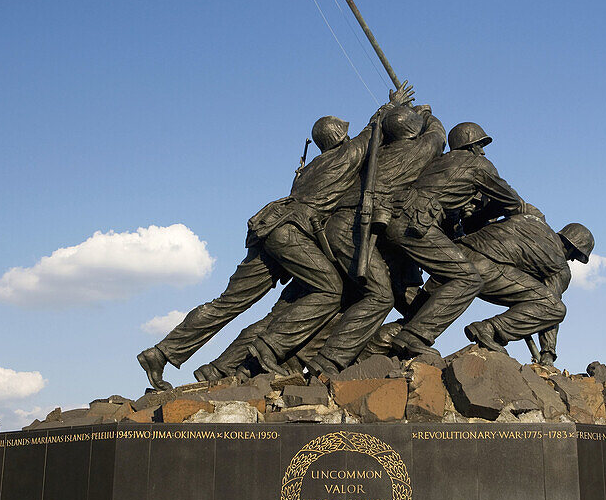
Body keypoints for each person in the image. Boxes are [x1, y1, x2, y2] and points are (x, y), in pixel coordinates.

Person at [136, 86, 412, 390]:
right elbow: (371, 134)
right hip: (291, 232)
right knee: (331, 290)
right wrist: (391, 106)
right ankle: (270, 347)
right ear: (341, 137)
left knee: (228, 303)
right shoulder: (346, 155)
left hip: (267, 226)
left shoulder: (312, 168)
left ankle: (162, 352)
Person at [304, 104, 446, 374]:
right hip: (352, 227)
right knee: (380, 296)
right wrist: (427, 114)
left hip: (343, 226)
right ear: (413, 131)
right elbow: (438, 136)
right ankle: (327, 363)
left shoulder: (374, 156)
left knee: (377, 294)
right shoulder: (417, 151)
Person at [380, 122, 525, 355]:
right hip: (416, 221)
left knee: (408, 293)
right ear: (471, 146)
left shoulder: (439, 162)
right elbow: (511, 202)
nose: (484, 151)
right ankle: (413, 336)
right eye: (481, 145)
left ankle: (377, 345)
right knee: (468, 279)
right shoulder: (478, 164)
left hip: (396, 218)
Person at [445, 217, 594, 366]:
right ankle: (489, 329)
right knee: (556, 308)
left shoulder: (533, 221)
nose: (573, 260)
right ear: (572, 248)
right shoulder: (559, 265)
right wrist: (548, 353)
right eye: (576, 256)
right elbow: (550, 306)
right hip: (484, 268)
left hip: (455, 252)